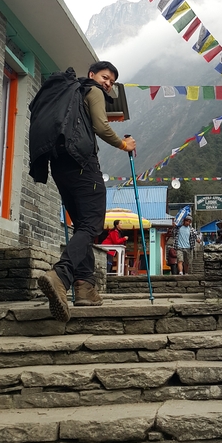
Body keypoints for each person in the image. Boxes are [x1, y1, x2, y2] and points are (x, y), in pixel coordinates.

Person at [30, 61, 136, 321]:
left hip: (59, 166)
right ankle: (61, 275)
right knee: (91, 225)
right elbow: (101, 126)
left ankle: (85, 288)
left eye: (111, 81)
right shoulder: (92, 91)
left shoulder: (68, 94)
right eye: (105, 77)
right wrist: (124, 144)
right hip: (83, 166)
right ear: (92, 75)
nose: (107, 83)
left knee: (82, 227)